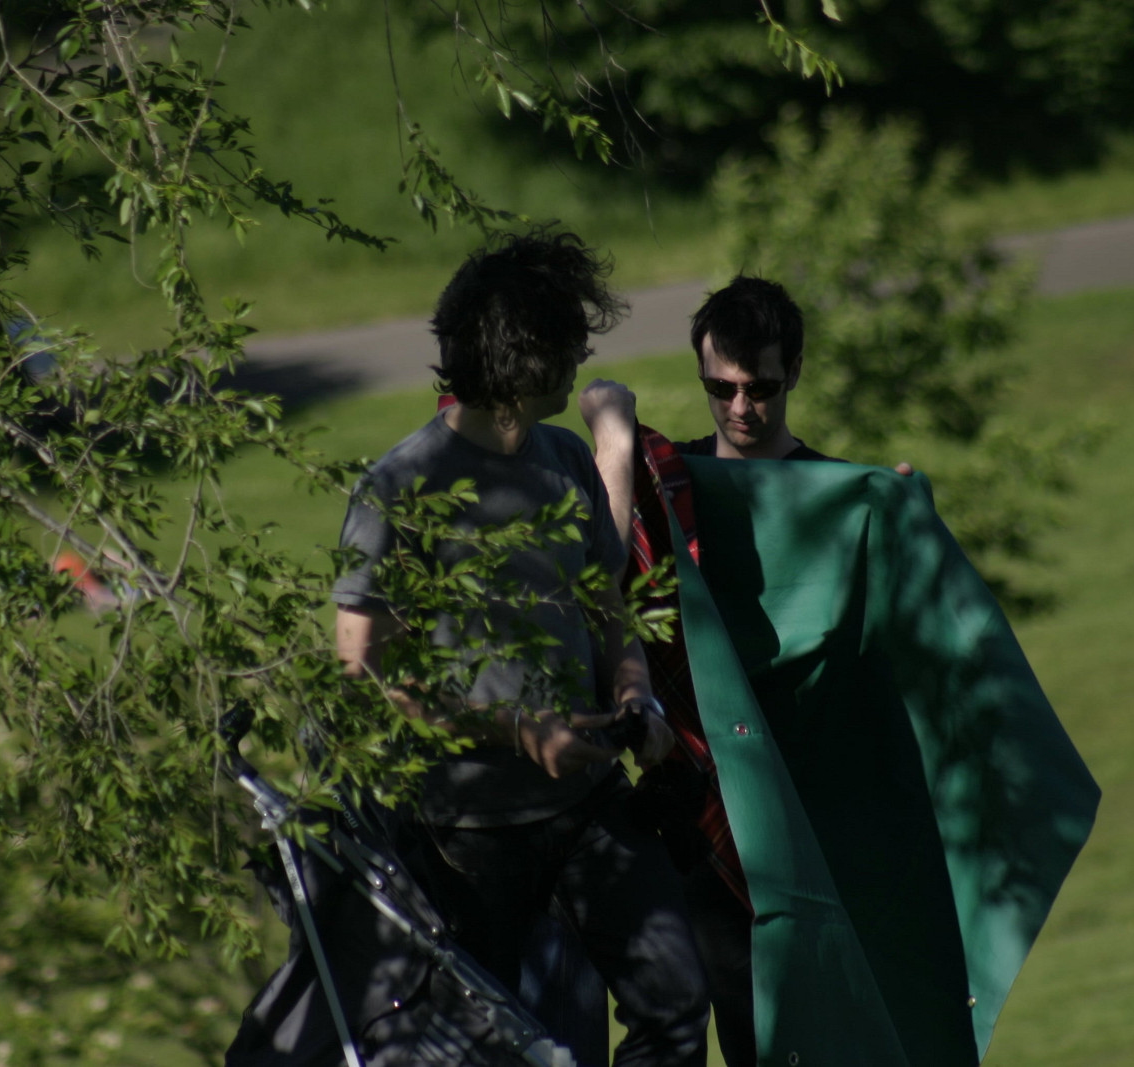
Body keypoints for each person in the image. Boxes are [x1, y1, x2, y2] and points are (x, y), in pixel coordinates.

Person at [331, 230, 709, 1067]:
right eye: (571, 339)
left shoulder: (566, 457)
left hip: (589, 807)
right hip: (465, 832)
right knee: (494, 1054)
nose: (584, 354)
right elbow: (364, 670)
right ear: (522, 357)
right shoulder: (401, 487)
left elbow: (608, 610)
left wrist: (636, 698)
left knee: (678, 1006)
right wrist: (516, 730)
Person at [580, 275, 909, 1067]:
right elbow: (600, 572)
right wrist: (614, 432)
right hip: (702, 813)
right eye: (719, 387)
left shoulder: (835, 497)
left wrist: (893, 525)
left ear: (794, 370)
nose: (739, 406)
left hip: (809, 816)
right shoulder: (669, 487)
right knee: (737, 1031)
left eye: (759, 387)